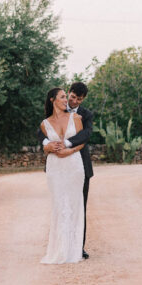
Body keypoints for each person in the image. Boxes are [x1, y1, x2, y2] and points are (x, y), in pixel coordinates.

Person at [37, 81, 93, 259]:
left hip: (78, 164)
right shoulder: (56, 110)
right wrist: (47, 144)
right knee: (60, 205)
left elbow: (86, 134)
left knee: (79, 205)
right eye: (73, 97)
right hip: (57, 167)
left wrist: (67, 146)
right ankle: (60, 244)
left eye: (79, 100)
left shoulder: (84, 115)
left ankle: (78, 246)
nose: (75, 102)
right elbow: (41, 131)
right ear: (69, 93)